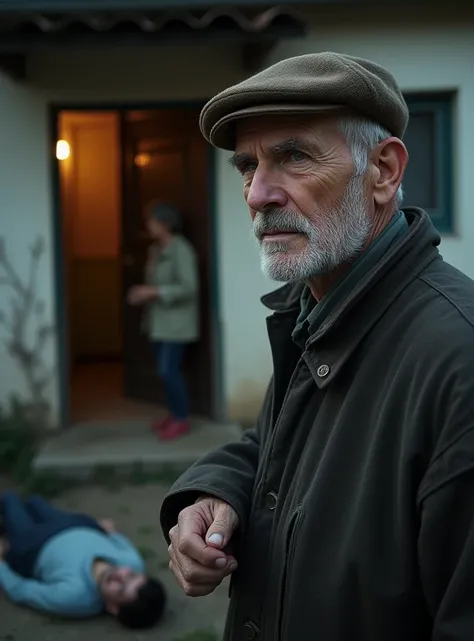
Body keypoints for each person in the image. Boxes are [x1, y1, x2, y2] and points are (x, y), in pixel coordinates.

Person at [160, 52, 474, 640]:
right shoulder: (314, 305)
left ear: (383, 170)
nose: (257, 194)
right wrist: (217, 494)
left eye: (294, 156)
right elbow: (280, 444)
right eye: (247, 166)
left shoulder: (457, 360)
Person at [0, 492, 166, 629]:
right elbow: (120, 541)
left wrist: (1, 564)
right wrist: (110, 532)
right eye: (131, 576)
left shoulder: (74, 597)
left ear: (113, 608)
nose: (120, 576)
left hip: (33, 544)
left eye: (120, 589)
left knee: (10, 500)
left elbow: (21, 590)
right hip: (76, 525)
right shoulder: (134, 563)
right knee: (35, 501)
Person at [128, 202, 199, 441]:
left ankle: (181, 419)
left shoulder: (181, 250)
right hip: (158, 322)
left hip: (177, 324)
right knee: (165, 371)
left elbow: (189, 288)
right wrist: (145, 293)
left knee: (169, 371)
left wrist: (153, 293)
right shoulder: (156, 250)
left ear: (165, 224)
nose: (148, 226)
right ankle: (173, 414)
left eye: (152, 221)